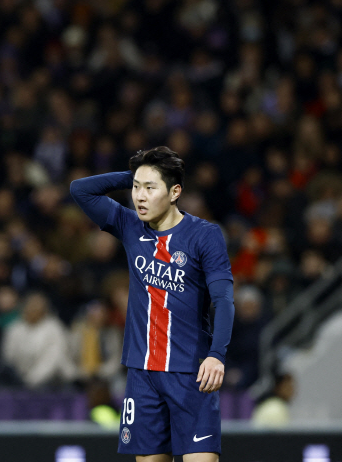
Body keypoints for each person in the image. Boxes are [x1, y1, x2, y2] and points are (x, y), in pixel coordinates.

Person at [70, 147, 235, 462]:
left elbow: (224, 300)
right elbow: (80, 190)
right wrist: (133, 175)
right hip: (142, 374)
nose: (139, 197)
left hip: (191, 373)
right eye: (136, 188)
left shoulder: (205, 235)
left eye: (150, 188)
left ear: (175, 192)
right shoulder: (130, 226)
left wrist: (216, 355)